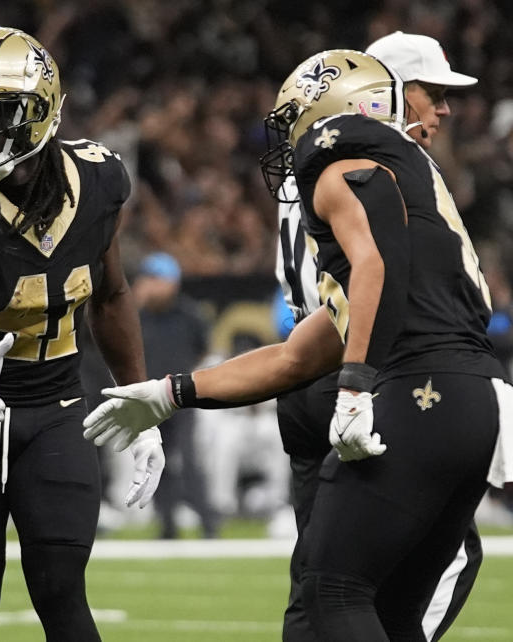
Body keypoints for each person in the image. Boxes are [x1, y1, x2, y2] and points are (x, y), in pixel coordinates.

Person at [85, 48, 508, 640]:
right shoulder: (409, 186)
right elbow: (296, 355)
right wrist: (169, 392)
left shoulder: (344, 168)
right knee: (395, 613)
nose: (294, 137)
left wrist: (357, 387)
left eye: (302, 117)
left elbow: (373, 266)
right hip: (472, 400)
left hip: (418, 391)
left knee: (331, 589)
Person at [0, 26, 164, 641]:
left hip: (56, 410)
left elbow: (114, 294)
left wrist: (141, 401)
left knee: (62, 591)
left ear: (40, 112)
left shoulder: (99, 181)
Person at [273, 32, 483, 641]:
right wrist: (360, 379)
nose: (442, 110)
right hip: (369, 365)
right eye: (430, 92)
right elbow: (376, 274)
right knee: (433, 567)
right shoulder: (378, 166)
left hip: (312, 368)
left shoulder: (313, 162)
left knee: (320, 575)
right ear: (378, 92)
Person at [132, 252, 218, 538]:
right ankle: (167, 524)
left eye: (156, 279)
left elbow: (206, 351)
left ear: (172, 282)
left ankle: (208, 523)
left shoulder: (190, 314)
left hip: (182, 398)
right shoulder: (137, 316)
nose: (149, 285)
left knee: (190, 460)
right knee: (156, 460)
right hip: (148, 399)